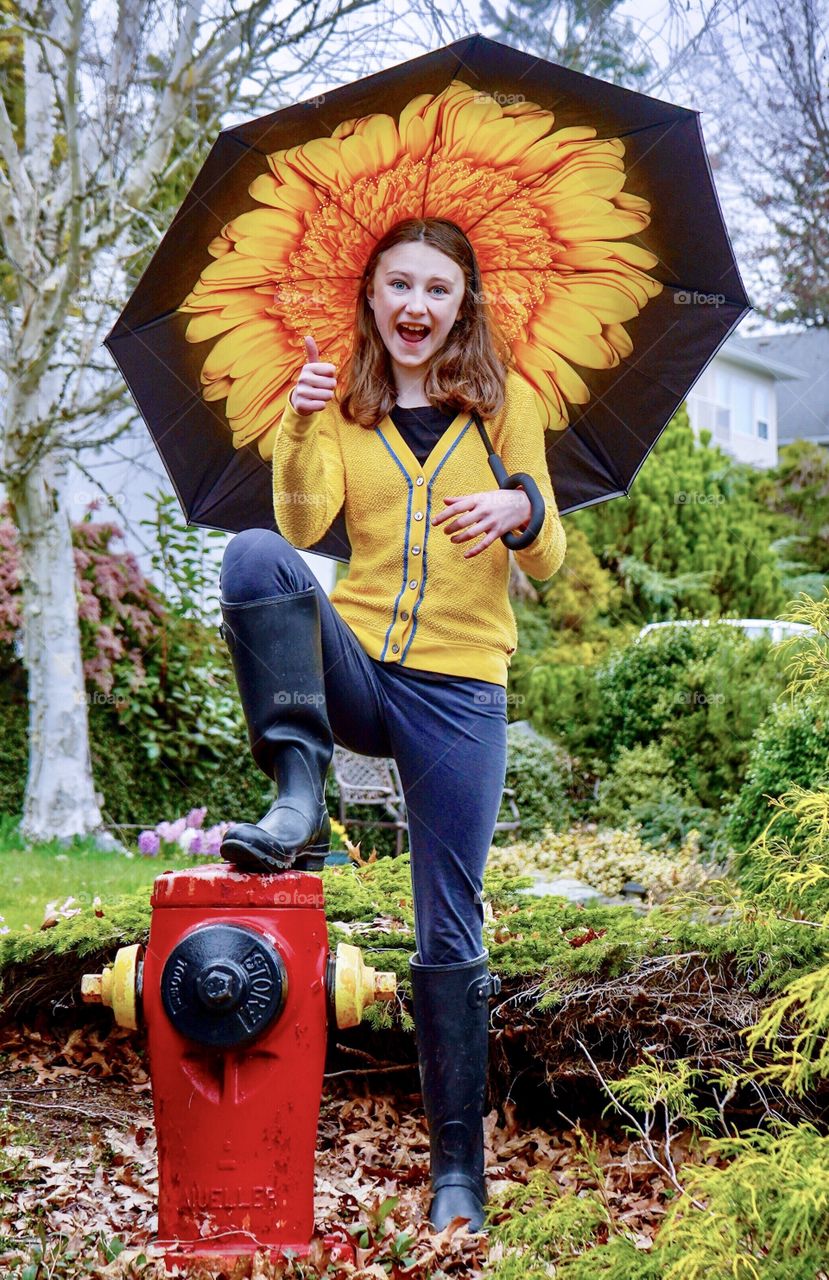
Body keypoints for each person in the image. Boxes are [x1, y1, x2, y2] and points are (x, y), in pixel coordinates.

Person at [217, 217, 567, 1234]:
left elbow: (551, 562)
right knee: (248, 557)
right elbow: (298, 525)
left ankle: (457, 1166)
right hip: (363, 669)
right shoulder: (346, 404)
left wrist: (520, 510)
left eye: (438, 289)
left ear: (464, 304)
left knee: (448, 924)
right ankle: (297, 795)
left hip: (461, 692)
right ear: (371, 297)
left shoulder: (507, 405)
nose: (416, 306)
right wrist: (298, 421)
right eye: (398, 285)